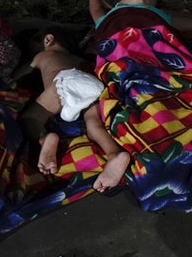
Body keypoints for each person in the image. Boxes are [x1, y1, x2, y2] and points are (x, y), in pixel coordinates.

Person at [16, 32, 132, 193]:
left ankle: (44, 138)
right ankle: (114, 154)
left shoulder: (43, 55)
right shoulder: (80, 60)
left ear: (48, 40)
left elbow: (20, 75)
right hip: (93, 84)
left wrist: (12, 78)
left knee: (30, 118)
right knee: (94, 124)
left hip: (65, 81)